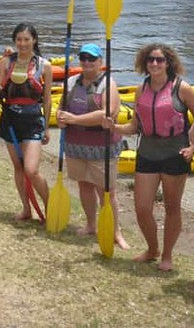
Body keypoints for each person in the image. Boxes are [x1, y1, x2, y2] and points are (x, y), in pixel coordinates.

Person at [105, 43, 194, 271]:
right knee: (142, 208)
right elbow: (134, 126)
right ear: (145, 62)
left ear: (169, 62)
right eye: (151, 59)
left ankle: (167, 255)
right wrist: (114, 128)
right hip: (148, 153)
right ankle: (152, 249)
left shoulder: (182, 88)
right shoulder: (142, 90)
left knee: (172, 208)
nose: (155, 63)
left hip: (175, 154)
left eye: (160, 60)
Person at [56, 43, 129, 248]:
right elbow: (62, 108)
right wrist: (60, 118)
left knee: (106, 191)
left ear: (100, 62)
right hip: (76, 146)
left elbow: (106, 114)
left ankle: (116, 232)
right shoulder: (71, 82)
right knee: (84, 185)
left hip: (101, 148)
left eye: (92, 59)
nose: (87, 63)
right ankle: (91, 225)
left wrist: (73, 119)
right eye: (84, 58)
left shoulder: (108, 84)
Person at [0, 23, 52, 220]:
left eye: (26, 39)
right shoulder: (6, 63)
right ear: (14, 41)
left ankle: (50, 208)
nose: (22, 43)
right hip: (10, 120)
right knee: (18, 168)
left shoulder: (44, 65)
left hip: (33, 121)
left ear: (34, 40)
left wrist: (46, 127)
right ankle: (26, 209)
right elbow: (0, 89)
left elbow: (47, 99)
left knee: (31, 169)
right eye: (19, 39)